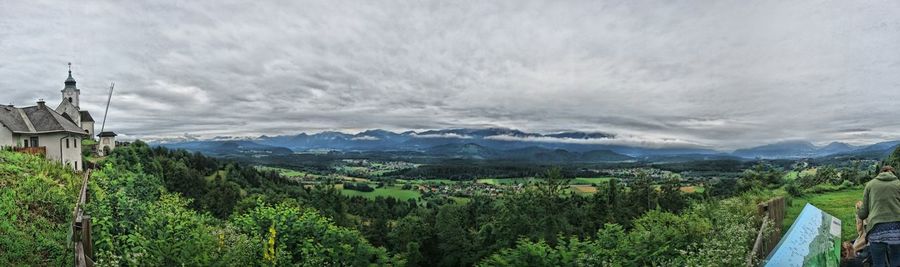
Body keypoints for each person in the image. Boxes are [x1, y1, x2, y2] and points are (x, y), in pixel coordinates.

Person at [857, 165, 900, 267]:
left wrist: (859, 209)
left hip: (877, 231)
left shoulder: (870, 185)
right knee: (896, 262)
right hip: (898, 231)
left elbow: (863, 214)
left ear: (880, 173)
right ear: (893, 173)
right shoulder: (898, 184)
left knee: (878, 264)